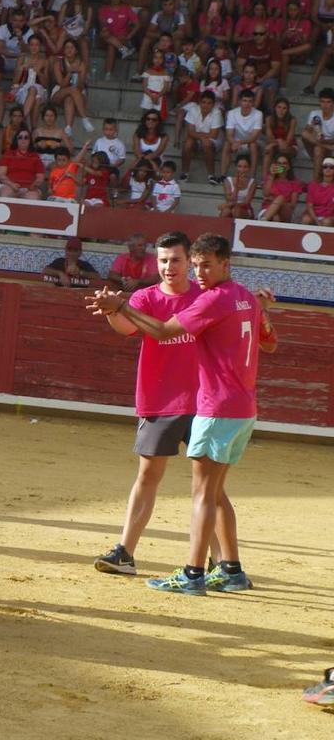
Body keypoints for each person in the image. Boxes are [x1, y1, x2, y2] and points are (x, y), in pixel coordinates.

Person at [89, 233, 278, 595]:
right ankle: (230, 569)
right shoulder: (244, 297)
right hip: (233, 406)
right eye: (196, 265)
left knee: (204, 494)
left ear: (225, 264)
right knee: (210, 489)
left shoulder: (212, 299)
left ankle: (195, 573)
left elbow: (160, 330)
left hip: (214, 405)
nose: (198, 272)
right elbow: (269, 342)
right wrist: (120, 309)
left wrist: (120, 305)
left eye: (202, 264)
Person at [92, 232, 203, 576]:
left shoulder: (206, 296)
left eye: (176, 259)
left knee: (208, 484)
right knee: (148, 475)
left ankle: (216, 560)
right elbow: (125, 327)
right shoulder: (146, 297)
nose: (169, 266)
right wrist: (112, 310)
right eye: (164, 260)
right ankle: (125, 552)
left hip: (205, 399)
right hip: (161, 396)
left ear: (190, 261)